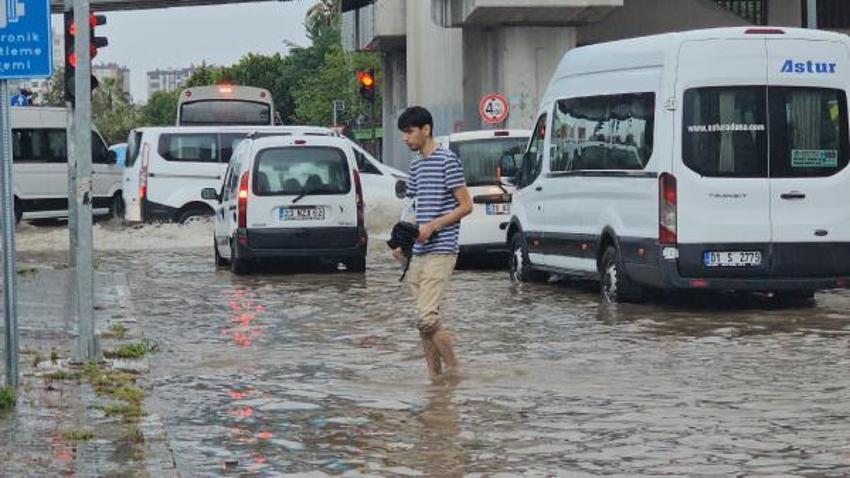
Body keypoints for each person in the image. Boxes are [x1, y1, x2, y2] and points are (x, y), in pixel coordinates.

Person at [393, 106, 473, 378]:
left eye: (409, 132)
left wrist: (434, 225)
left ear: (426, 130)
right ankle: (435, 382)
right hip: (418, 252)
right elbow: (410, 207)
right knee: (424, 322)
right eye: (403, 133)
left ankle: (456, 373)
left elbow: (466, 206)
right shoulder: (415, 165)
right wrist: (399, 243)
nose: (405, 138)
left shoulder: (447, 161)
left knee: (426, 317)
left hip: (442, 249)